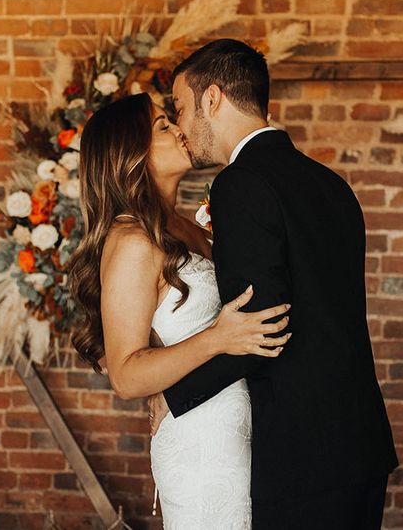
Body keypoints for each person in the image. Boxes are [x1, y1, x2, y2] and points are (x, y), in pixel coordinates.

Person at [147, 38, 398, 530]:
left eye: (180, 107)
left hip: (303, 453)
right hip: (359, 441)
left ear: (212, 99)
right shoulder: (330, 183)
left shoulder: (241, 184)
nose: (180, 125)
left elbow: (261, 331)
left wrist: (170, 394)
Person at [69, 92, 292, 529]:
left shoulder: (185, 226)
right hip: (200, 445)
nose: (178, 129)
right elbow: (127, 375)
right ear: (129, 152)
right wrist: (218, 337)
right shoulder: (132, 241)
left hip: (239, 426)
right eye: (161, 126)